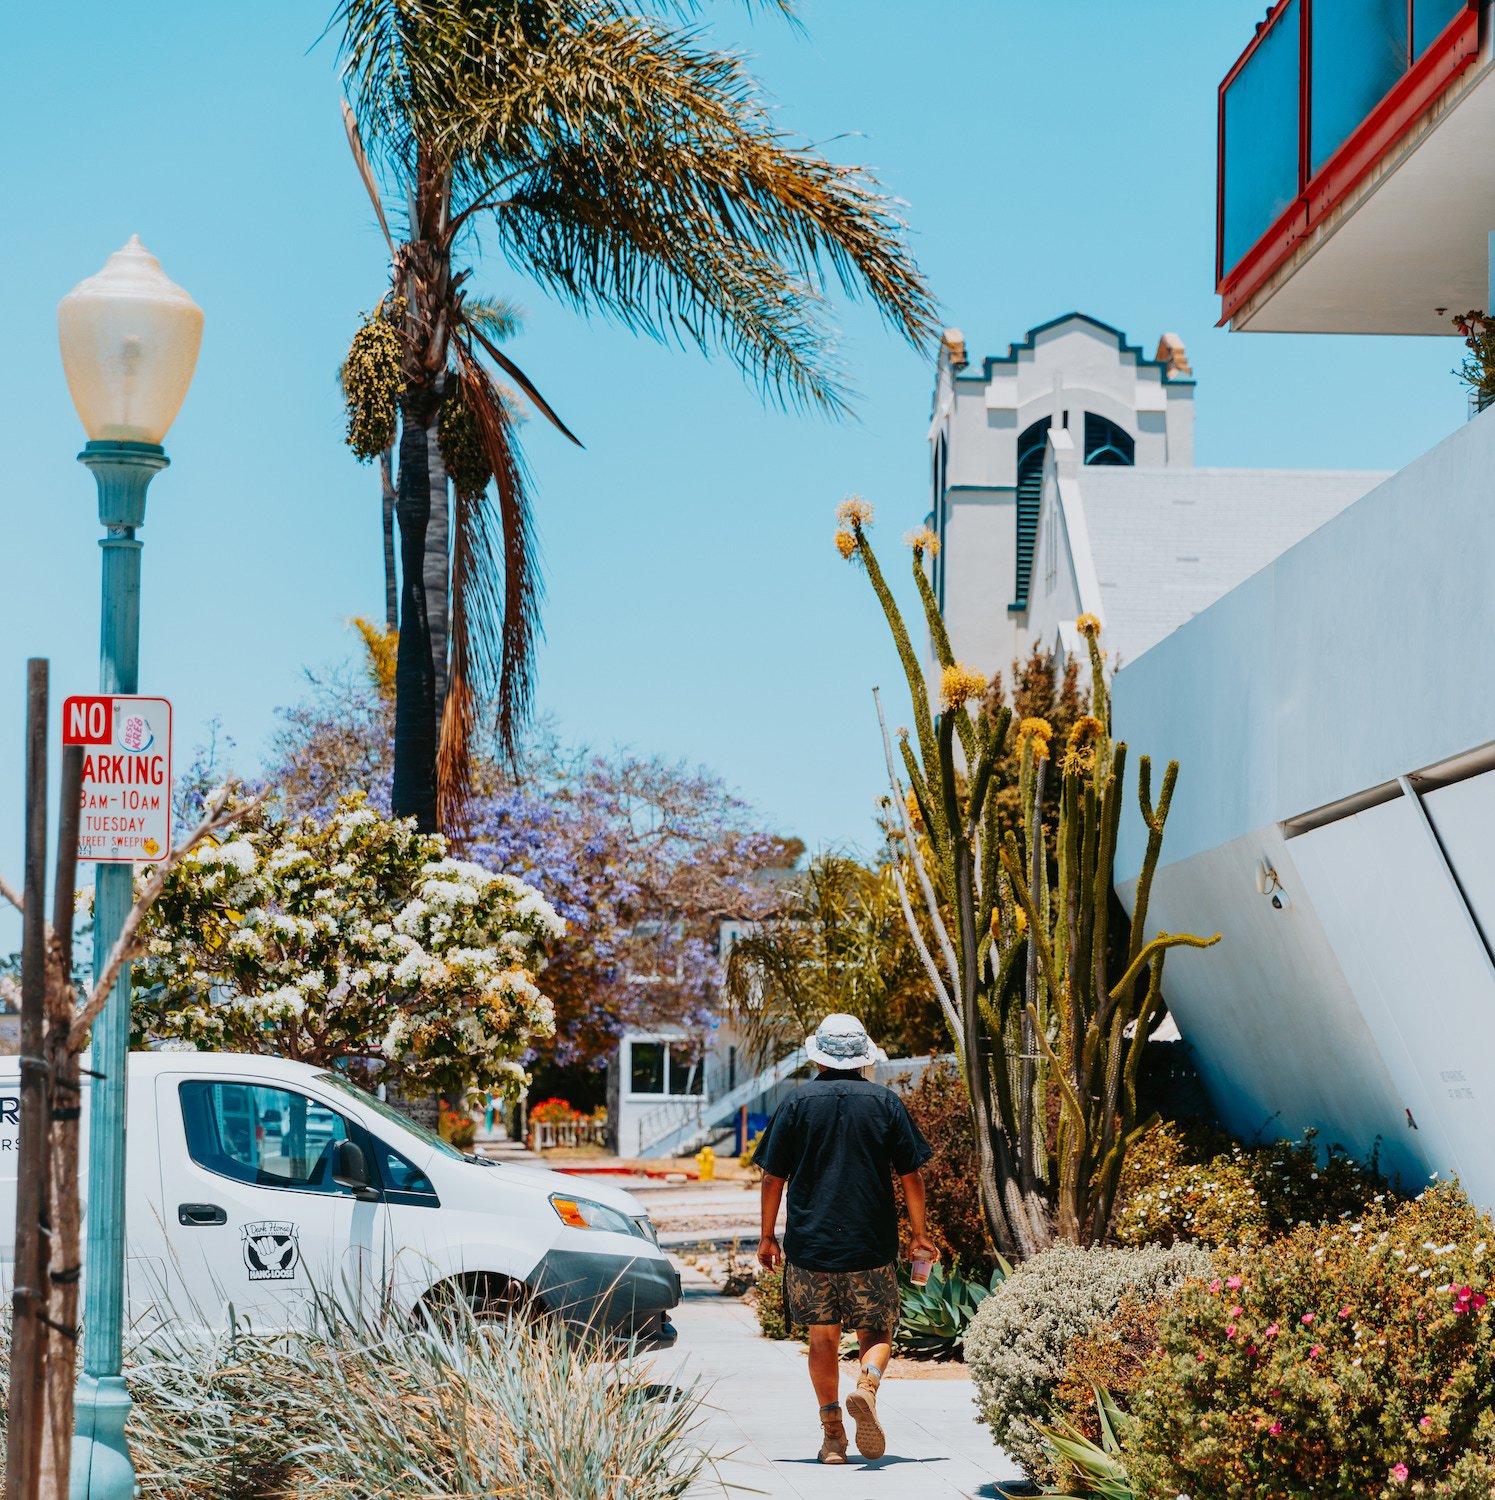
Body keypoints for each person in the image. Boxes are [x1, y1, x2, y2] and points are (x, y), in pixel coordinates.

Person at [754, 1014, 937, 1465]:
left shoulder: (796, 1104)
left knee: (823, 1340)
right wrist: (919, 1234)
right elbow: (911, 1176)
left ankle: (833, 1438)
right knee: (877, 1330)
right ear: (863, 1057)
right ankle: (867, 1387)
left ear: (818, 1055)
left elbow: (772, 1177)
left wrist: (767, 1237)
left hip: (811, 1246)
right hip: (869, 1244)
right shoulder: (885, 1103)